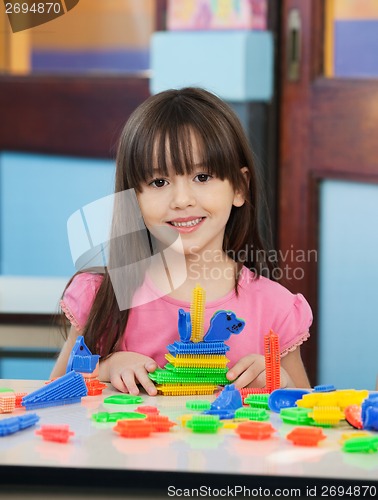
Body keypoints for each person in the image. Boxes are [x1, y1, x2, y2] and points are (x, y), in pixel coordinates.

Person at [51, 87, 312, 395]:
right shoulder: (102, 298)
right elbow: (55, 398)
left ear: (239, 187)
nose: (182, 200)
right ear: (132, 199)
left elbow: (304, 413)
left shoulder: (275, 308)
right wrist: (106, 368)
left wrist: (280, 382)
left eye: (202, 177)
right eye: (159, 182)